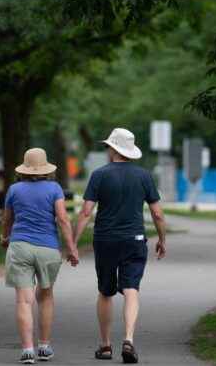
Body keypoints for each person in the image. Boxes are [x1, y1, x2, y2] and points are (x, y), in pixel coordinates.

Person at [73, 128, 167, 364]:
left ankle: (105, 346)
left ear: (113, 149)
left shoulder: (99, 175)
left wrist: (73, 243)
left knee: (105, 292)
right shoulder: (144, 176)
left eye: (108, 147)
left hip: (105, 240)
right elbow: (157, 213)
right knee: (131, 289)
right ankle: (129, 339)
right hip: (135, 239)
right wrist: (162, 239)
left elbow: (86, 211)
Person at [0, 148, 80, 364]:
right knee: (45, 297)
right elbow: (63, 220)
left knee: (23, 301)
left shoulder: (14, 189)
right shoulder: (54, 188)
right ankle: (44, 347)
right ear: (46, 169)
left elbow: (7, 219)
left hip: (20, 247)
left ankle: (27, 351)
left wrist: (5, 237)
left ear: (24, 169)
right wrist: (71, 248)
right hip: (48, 249)